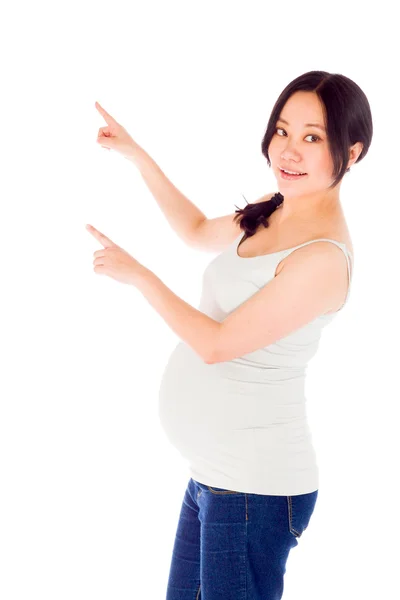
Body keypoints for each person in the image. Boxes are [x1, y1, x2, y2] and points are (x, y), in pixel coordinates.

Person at [94, 69, 373, 599]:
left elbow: (217, 344)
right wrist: (136, 154)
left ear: (352, 152)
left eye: (313, 137)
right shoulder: (276, 212)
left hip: (256, 488)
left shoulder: (322, 258)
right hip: (216, 477)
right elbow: (196, 230)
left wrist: (140, 277)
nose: (288, 150)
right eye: (283, 131)